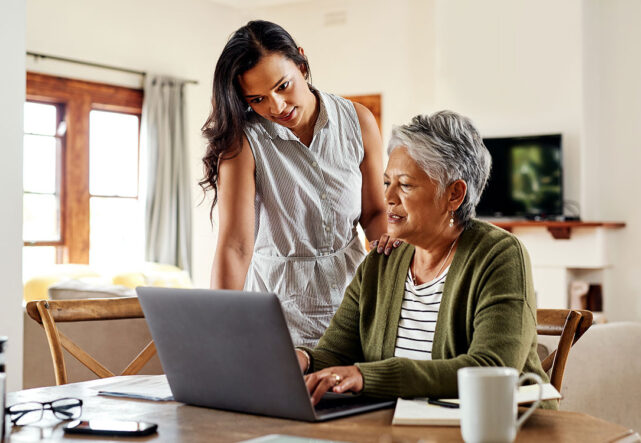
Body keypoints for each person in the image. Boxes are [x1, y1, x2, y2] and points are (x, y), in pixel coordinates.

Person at [294, 110, 557, 409]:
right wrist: (303, 359)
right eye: (387, 182)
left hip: (497, 428)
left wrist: (367, 376)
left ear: (454, 194)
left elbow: (493, 368)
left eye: (405, 185)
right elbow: (335, 353)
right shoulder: (381, 260)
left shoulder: (500, 255)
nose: (388, 197)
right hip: (398, 428)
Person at [200, 20, 396, 347]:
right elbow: (235, 246)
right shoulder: (243, 144)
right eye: (258, 99)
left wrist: (393, 266)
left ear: (301, 64)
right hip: (279, 323)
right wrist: (220, 333)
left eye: (283, 86)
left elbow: (374, 212)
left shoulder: (358, 121)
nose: (276, 107)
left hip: (354, 314)